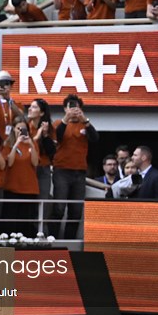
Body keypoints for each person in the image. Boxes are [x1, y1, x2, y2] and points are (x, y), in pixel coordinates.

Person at [52, 94, 97, 239]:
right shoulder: (59, 123)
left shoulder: (84, 125)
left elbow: (95, 138)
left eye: (76, 107)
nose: (73, 110)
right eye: (70, 107)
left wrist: (86, 121)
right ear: (65, 109)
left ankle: (69, 242)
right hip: (61, 171)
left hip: (79, 172)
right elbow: (56, 136)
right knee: (59, 208)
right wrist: (66, 119)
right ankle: (53, 240)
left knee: (76, 211)